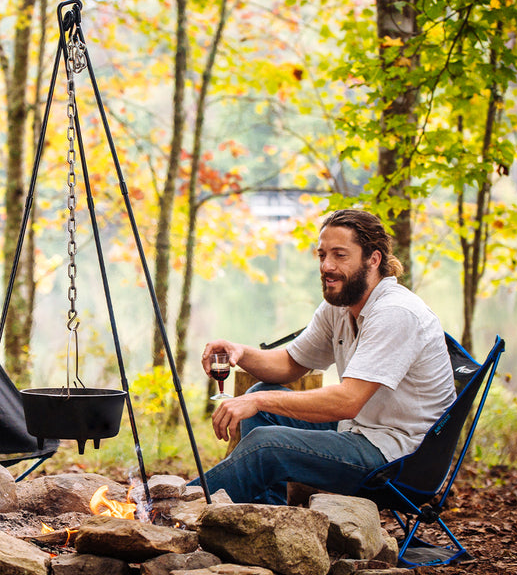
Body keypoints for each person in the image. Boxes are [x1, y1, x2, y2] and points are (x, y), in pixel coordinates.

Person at [192, 209, 455, 504]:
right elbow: (290, 364)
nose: (327, 266)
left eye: (340, 255)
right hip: (363, 430)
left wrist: (256, 402)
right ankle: (266, 518)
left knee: (267, 443)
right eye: (322, 255)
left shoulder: (395, 313)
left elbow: (347, 401)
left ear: (374, 259)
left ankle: (177, 508)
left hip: (401, 458)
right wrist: (239, 353)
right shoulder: (340, 305)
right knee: (263, 396)